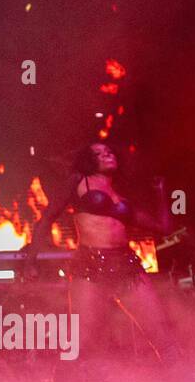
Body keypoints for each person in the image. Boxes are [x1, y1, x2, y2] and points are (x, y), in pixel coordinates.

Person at [27, 142, 181, 363]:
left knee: (162, 332)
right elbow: (47, 218)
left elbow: (163, 228)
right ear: (89, 161)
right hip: (90, 265)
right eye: (98, 153)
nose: (107, 154)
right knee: (83, 341)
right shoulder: (79, 181)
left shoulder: (121, 192)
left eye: (109, 151)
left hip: (126, 266)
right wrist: (31, 260)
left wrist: (161, 192)